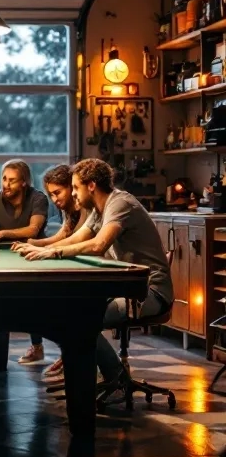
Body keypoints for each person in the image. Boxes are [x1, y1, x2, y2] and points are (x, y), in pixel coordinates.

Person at [21, 158, 173, 398]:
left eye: (75, 187)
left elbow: (98, 244)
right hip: (128, 290)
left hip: (149, 293)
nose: (73, 193)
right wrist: (42, 248)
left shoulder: (119, 204)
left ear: (91, 185)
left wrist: (55, 252)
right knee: (71, 312)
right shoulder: (98, 209)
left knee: (79, 320)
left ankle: (111, 378)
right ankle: (102, 378)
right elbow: (77, 238)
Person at [12, 164, 88, 375]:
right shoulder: (67, 208)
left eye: (58, 192)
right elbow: (64, 235)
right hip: (75, 264)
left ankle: (74, 360)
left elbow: (77, 239)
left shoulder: (84, 206)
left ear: (71, 187)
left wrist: (44, 249)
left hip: (92, 268)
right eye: (51, 194)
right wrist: (34, 244)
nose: (54, 199)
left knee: (64, 308)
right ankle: (69, 356)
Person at [0, 160, 49, 364]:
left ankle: (37, 347)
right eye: (4, 179)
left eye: (12, 180)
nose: (6, 184)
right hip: (3, 257)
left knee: (32, 303)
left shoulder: (38, 198)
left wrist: (3, 232)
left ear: (24, 182)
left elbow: (33, 229)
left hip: (32, 254)